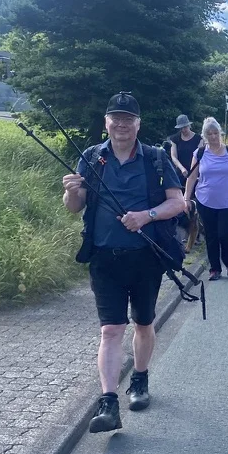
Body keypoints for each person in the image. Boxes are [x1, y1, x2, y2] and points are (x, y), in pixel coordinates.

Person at [61, 93, 185, 433]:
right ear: (106, 122)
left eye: (128, 118)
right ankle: (109, 403)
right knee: (111, 329)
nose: (121, 124)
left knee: (143, 323)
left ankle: (140, 379)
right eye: (115, 117)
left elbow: (179, 203)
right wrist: (71, 190)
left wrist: (147, 216)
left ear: (137, 124)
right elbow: (74, 206)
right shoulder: (91, 157)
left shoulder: (156, 159)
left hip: (146, 257)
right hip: (103, 257)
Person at [183, 118, 228, 281]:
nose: (213, 137)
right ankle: (214, 269)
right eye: (209, 134)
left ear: (220, 133)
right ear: (205, 136)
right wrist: (186, 199)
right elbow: (191, 178)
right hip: (205, 201)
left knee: (225, 234)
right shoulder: (199, 154)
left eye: (215, 133)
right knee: (211, 235)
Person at [169, 114, 201, 184]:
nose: (183, 130)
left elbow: (200, 157)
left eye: (185, 127)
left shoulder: (198, 139)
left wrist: (193, 171)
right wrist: (182, 168)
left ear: (189, 126)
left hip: (195, 172)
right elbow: (174, 157)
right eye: (181, 128)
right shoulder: (174, 139)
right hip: (180, 173)